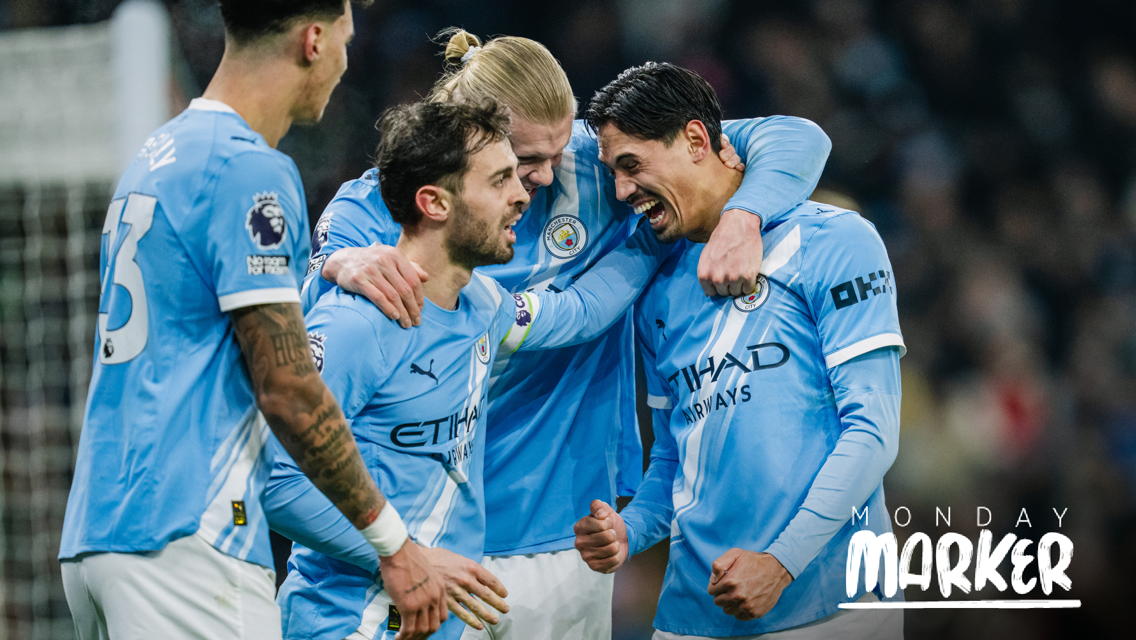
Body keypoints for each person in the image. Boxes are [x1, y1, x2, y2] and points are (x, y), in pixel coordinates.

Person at [299, 30, 832, 639]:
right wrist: (336, 263)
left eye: (558, 151)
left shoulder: (597, 166)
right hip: (420, 542)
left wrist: (744, 216)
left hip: (564, 534)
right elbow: (317, 344)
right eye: (524, 161)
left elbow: (795, 137)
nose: (549, 177)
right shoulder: (373, 206)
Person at [57, 2, 449, 639]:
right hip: (191, 535)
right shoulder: (251, 169)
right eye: (346, 41)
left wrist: (327, 266)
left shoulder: (160, 152)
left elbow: (202, 320)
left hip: (101, 532)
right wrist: (392, 542)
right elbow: (289, 389)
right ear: (314, 41)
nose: (348, 63)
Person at [265, 98, 674, 640]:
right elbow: (276, 483)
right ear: (434, 202)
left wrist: (655, 227)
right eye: (501, 179)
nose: (523, 195)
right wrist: (403, 553)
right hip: (349, 618)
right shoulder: (355, 325)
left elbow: (580, 313)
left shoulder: (484, 305)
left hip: (440, 619)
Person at [573, 62, 905, 639]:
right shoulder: (655, 293)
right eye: (614, 173)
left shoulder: (835, 240)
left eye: (632, 165)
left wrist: (780, 563)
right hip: (692, 615)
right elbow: (674, 463)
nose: (622, 191)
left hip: (833, 609)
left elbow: (873, 429)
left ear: (697, 141)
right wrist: (631, 529)